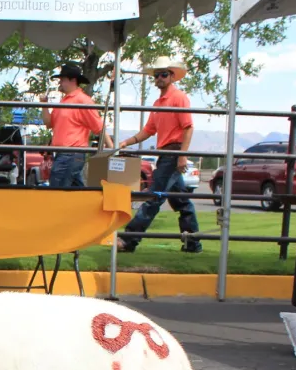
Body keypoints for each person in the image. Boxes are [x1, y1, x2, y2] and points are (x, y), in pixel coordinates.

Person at [116, 57, 202, 253]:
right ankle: (193, 243)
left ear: (172, 76)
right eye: (157, 75)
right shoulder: (158, 102)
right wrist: (127, 142)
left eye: (164, 74)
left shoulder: (179, 98)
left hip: (173, 151)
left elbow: (188, 127)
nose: (160, 78)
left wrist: (182, 155)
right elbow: (148, 130)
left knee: (154, 197)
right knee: (181, 201)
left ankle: (129, 240)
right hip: (165, 153)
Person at [39, 62, 112, 187]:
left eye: (62, 79)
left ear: (72, 80)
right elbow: (49, 123)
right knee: (75, 190)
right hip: (67, 154)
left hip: (70, 153)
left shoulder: (83, 100)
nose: (59, 82)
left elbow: (99, 126)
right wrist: (44, 104)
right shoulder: (64, 101)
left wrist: (111, 148)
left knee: (57, 188)